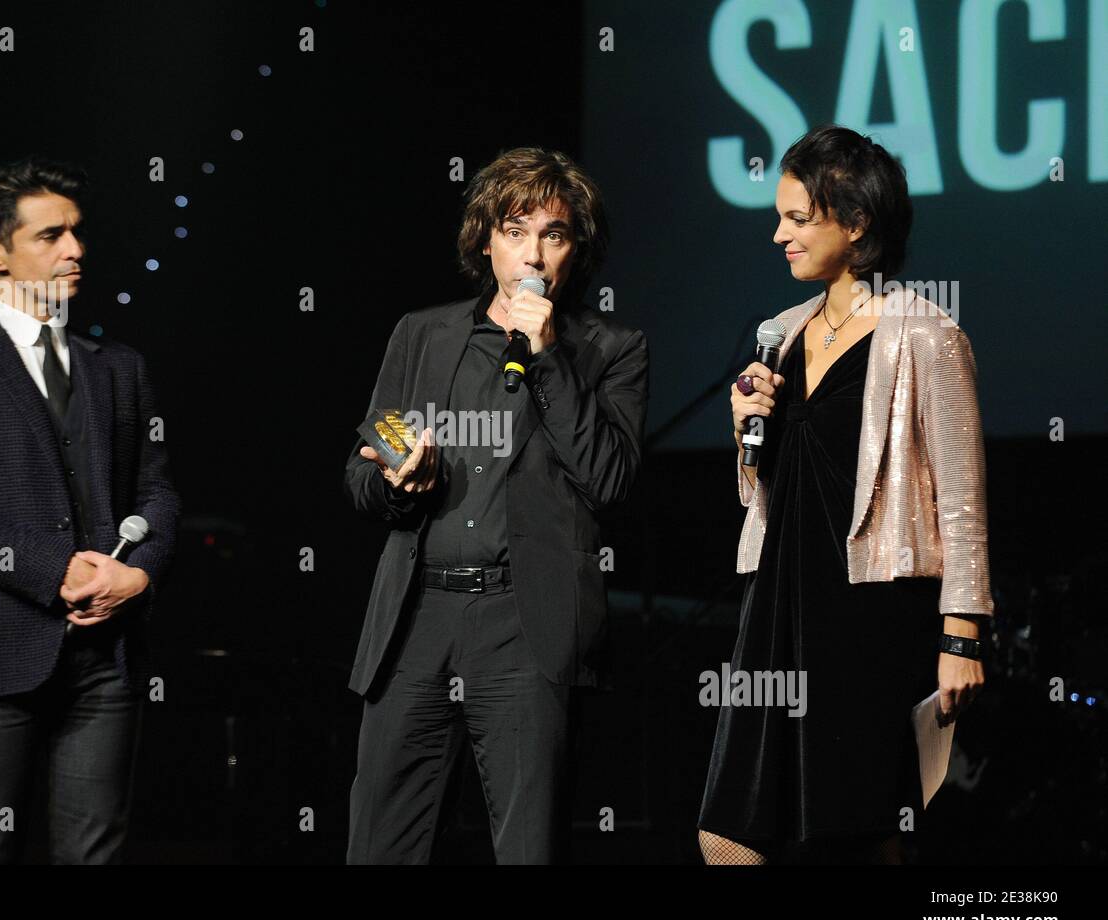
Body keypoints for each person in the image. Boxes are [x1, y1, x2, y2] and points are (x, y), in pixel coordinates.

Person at [343, 146, 648, 864]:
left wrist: (548, 360)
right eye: (516, 229)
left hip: (525, 625)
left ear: (578, 249)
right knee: (379, 847)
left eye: (555, 233)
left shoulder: (611, 348)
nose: (533, 252)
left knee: (527, 849)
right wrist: (395, 483)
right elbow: (358, 475)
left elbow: (610, 480)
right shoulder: (421, 334)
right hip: (417, 620)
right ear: (486, 238)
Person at [697, 125, 991, 865]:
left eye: (799, 219)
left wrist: (961, 634)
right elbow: (769, 490)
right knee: (726, 832)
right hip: (777, 603)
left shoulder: (925, 333)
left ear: (856, 223)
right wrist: (746, 433)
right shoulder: (785, 334)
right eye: (781, 217)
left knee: (859, 835)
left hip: (868, 606)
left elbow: (962, 499)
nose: (778, 235)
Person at [0, 157, 180, 863]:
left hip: (104, 657)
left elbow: (157, 491)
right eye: (50, 235)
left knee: (94, 852)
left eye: (77, 233)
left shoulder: (117, 366)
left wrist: (137, 575)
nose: (74, 250)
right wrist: (59, 568)